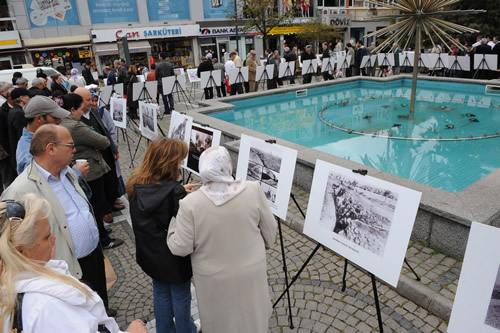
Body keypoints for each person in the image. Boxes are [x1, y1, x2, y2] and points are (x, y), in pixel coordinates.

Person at [1, 124, 117, 316]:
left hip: (93, 254)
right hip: (66, 265)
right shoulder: (19, 190)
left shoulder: (67, 171)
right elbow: (12, 243)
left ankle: (102, 315)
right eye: (70, 145)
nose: (74, 149)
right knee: (78, 312)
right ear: (51, 148)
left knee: (97, 299)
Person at [167, 146, 277, 333]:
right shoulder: (252, 190)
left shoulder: (190, 204)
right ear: (228, 165)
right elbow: (270, 231)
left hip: (214, 280)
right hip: (251, 271)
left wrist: (172, 224)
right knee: (253, 319)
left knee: (221, 322)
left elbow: (180, 247)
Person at [0, 194, 148, 332]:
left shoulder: (13, 288)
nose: (54, 238)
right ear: (20, 252)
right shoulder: (48, 307)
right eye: (46, 237)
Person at [127, 138, 200, 333]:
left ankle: (165, 330)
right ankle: (186, 330)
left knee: (160, 292)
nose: (181, 164)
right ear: (169, 163)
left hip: (150, 253)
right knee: (181, 296)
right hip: (173, 257)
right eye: (179, 160)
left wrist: (178, 191)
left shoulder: (135, 184)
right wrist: (181, 194)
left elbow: (156, 197)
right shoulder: (174, 193)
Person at [60, 92, 123, 251]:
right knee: (96, 204)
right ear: (73, 109)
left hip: (85, 168)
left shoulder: (63, 123)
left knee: (94, 204)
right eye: (81, 108)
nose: (83, 112)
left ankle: (100, 229)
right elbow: (103, 141)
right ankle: (103, 239)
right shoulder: (75, 125)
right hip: (91, 171)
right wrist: (92, 144)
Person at [16, 96, 70, 174]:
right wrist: (77, 172)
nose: (59, 121)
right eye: (55, 117)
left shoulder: (43, 138)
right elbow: (43, 181)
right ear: (39, 118)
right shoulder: (28, 153)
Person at [7, 88, 30, 169]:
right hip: (20, 151)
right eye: (28, 96)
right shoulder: (18, 113)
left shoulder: (13, 110)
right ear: (22, 98)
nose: (29, 98)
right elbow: (21, 134)